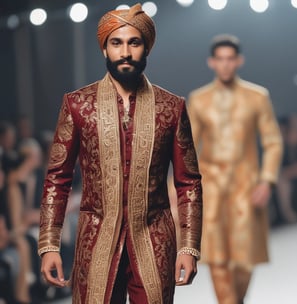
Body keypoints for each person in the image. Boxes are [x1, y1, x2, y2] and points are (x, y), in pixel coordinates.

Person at [38, 3, 203, 303]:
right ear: (105, 48)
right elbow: (57, 178)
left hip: (154, 239)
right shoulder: (77, 105)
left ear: (146, 48)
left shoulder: (171, 107)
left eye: (134, 42)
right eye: (116, 42)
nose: (125, 51)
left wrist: (189, 246)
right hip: (95, 239)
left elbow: (188, 182)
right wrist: (49, 244)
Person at [187, 34, 283, 304]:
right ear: (212, 62)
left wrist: (266, 181)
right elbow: (187, 147)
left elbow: (273, 141)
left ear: (239, 61)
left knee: (244, 260)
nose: (226, 65)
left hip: (246, 187)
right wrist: (180, 187)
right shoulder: (199, 99)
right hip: (212, 187)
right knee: (216, 258)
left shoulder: (257, 96)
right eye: (221, 59)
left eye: (231, 59)